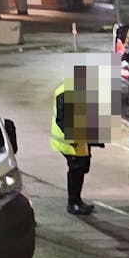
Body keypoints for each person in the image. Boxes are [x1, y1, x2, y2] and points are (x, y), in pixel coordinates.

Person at [50, 65, 96, 216]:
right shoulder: (65, 92)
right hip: (70, 142)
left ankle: (77, 201)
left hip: (79, 139)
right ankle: (73, 203)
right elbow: (62, 119)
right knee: (76, 170)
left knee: (81, 168)